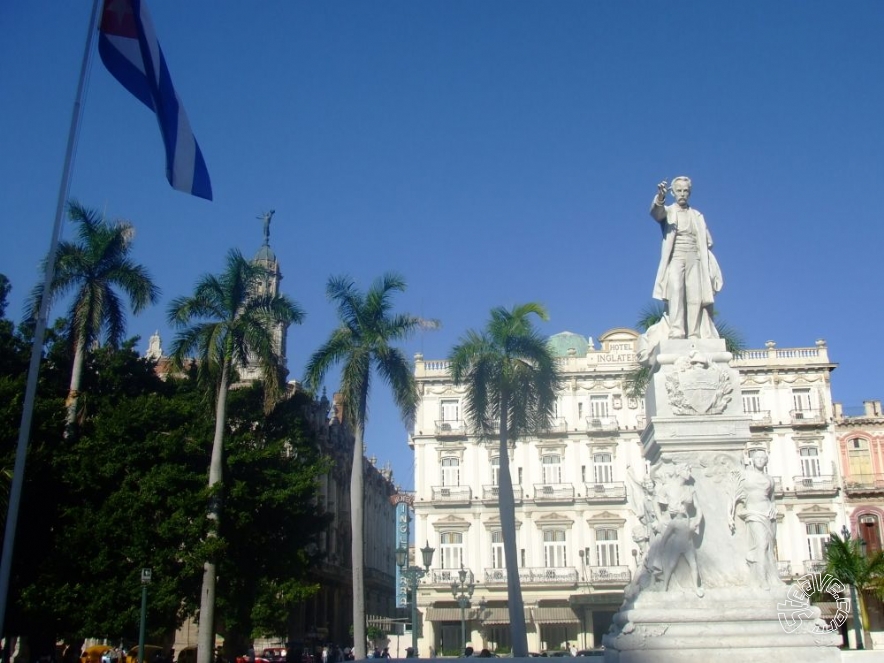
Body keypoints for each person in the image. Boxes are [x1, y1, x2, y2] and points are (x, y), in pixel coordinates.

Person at [649, 176, 723, 340]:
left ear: (689, 193)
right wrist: (660, 197)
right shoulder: (668, 211)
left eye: (685, 191)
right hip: (676, 256)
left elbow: (708, 241)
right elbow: (656, 213)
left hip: (695, 258)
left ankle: (694, 333)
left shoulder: (696, 215)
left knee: (694, 295)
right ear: (673, 192)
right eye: (679, 191)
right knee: (676, 292)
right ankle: (677, 330)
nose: (682, 194)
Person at [730, 449, 780, 589]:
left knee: (769, 546)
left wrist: (773, 507)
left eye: (762, 458)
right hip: (753, 512)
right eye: (756, 457)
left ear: (766, 460)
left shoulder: (770, 479)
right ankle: (762, 579)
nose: (759, 460)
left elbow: (773, 499)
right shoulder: (746, 475)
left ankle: (769, 577)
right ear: (752, 460)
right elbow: (734, 487)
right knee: (761, 545)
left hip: (767, 513)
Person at [655, 463, 704, 597]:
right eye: (687, 470)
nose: (689, 472)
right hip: (674, 527)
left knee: (693, 564)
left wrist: (697, 521)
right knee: (671, 564)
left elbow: (698, 508)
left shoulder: (690, 489)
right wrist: (660, 519)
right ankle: (665, 585)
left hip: (687, 528)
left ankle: (696, 586)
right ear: (680, 471)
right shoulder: (668, 487)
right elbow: (656, 503)